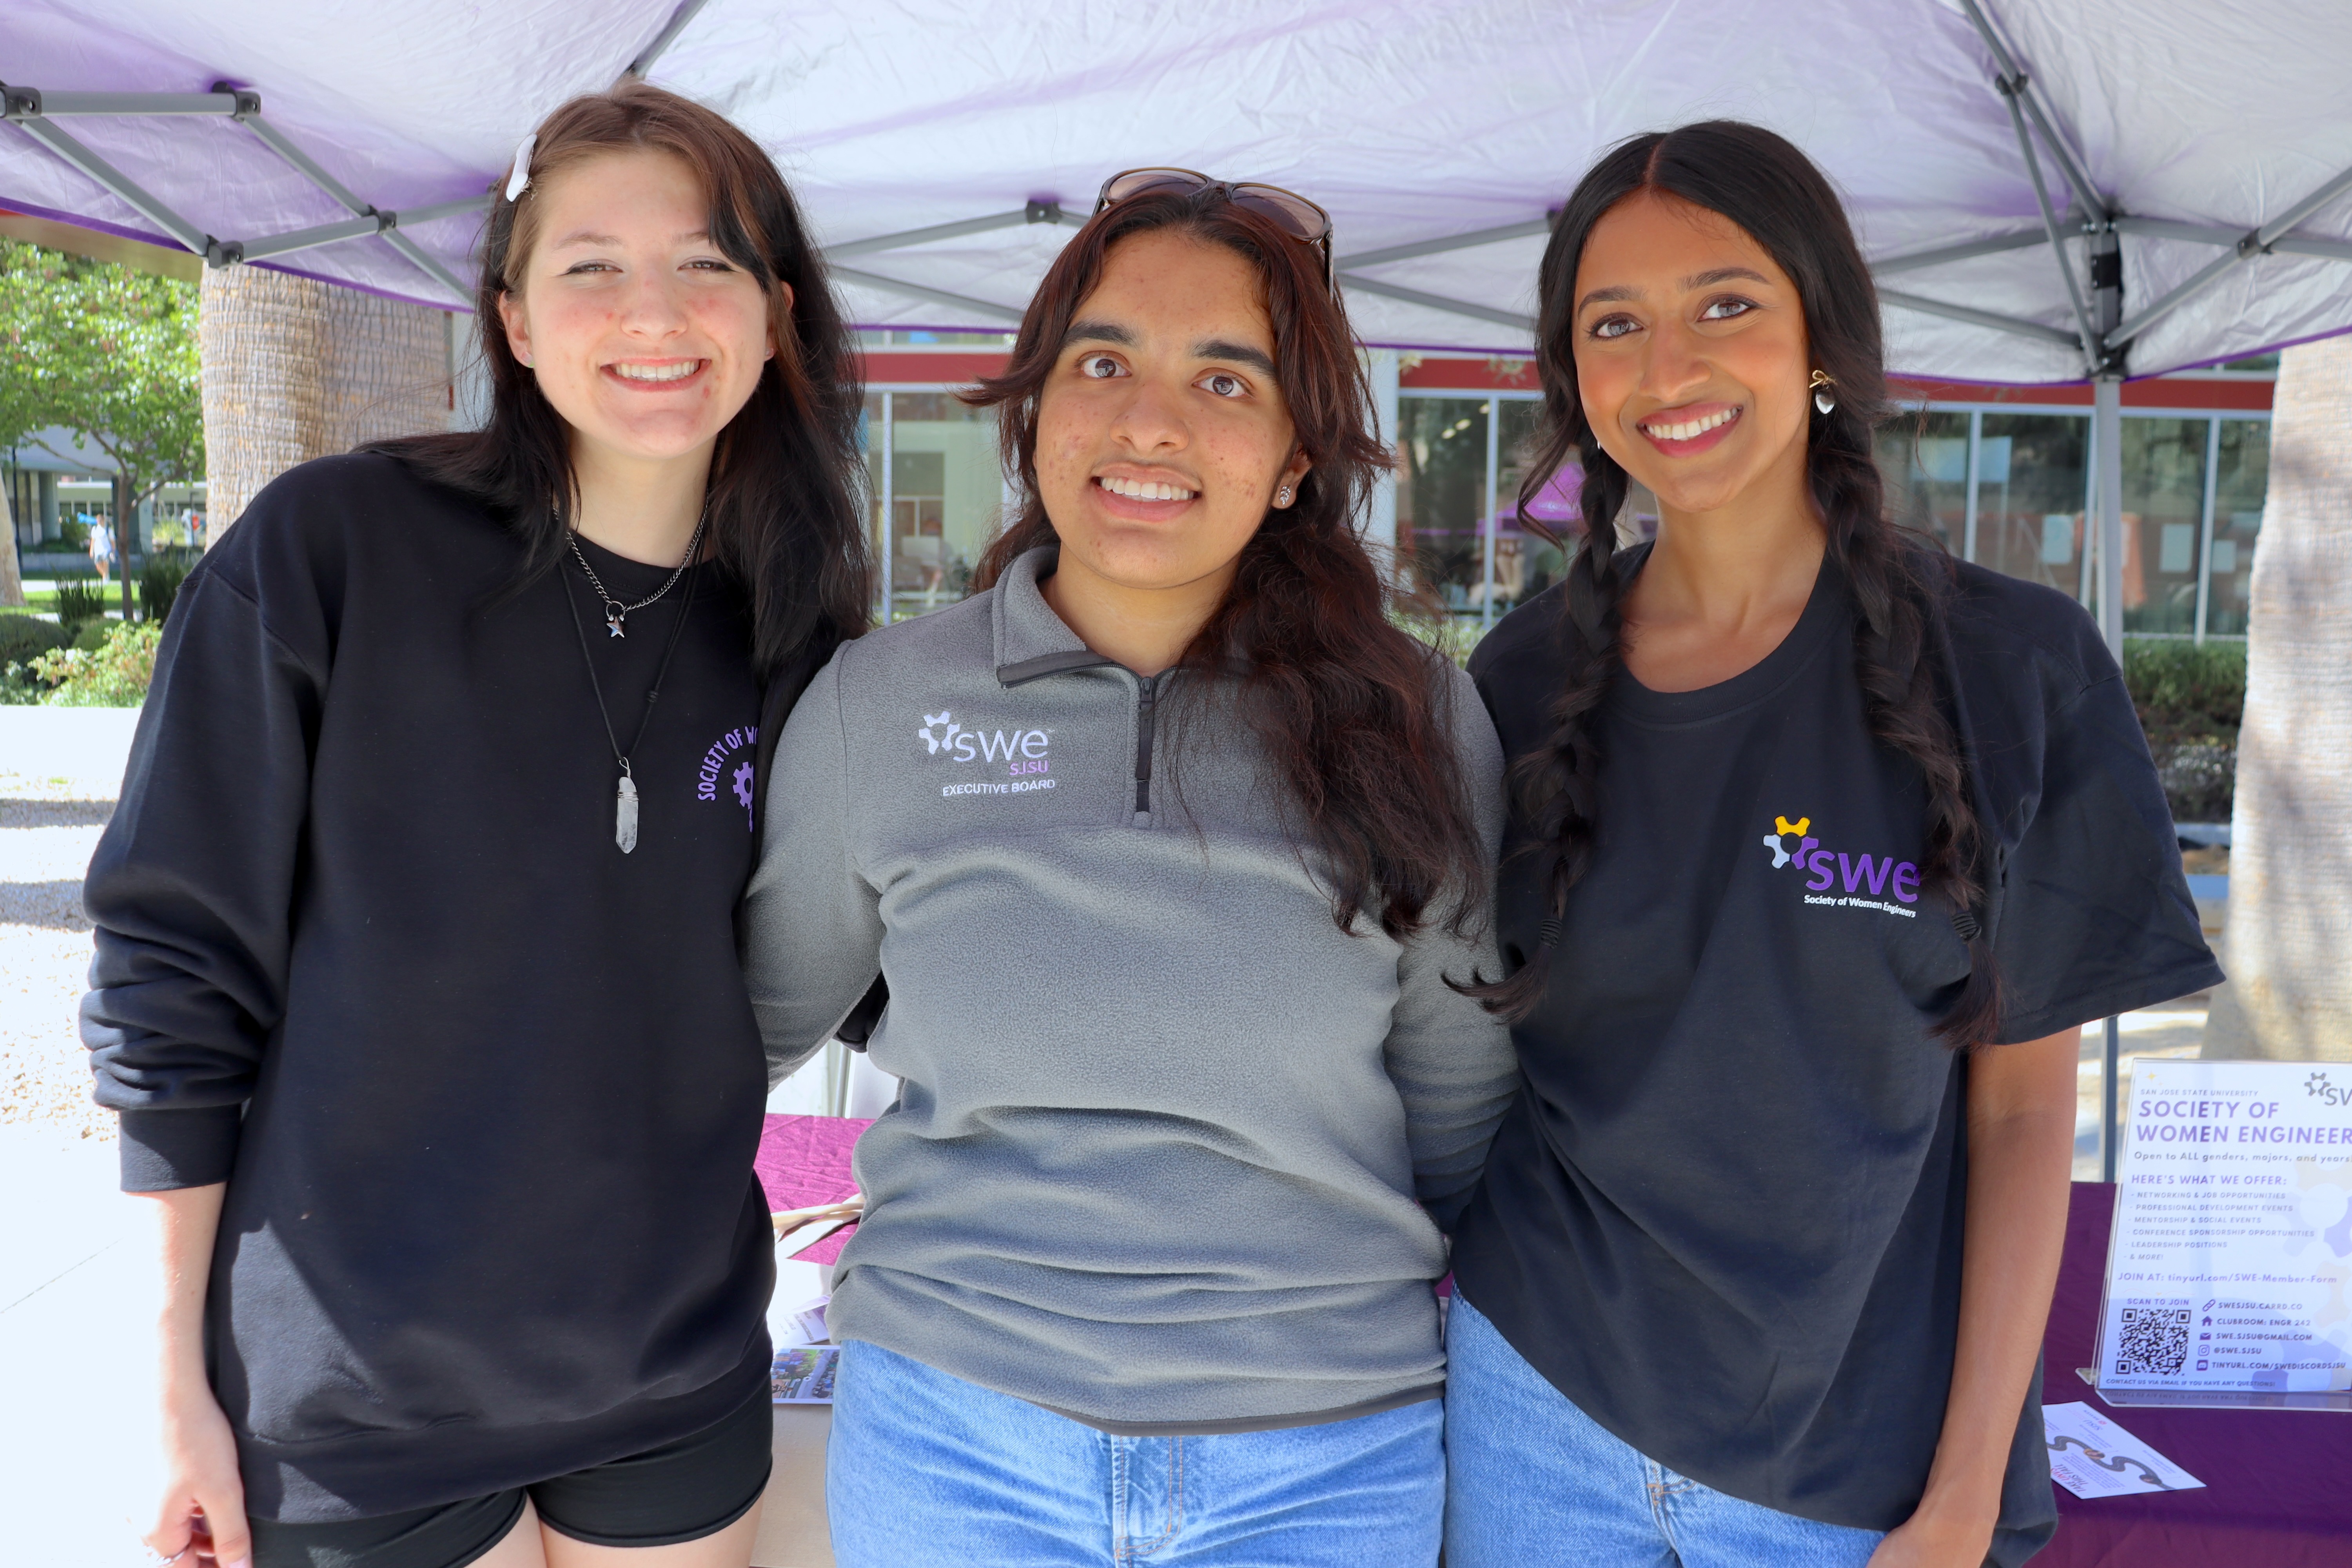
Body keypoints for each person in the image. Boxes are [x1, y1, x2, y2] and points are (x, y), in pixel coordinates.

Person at [81, 82, 869, 1568]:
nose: (656, 310)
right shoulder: (334, 548)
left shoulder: (795, 628)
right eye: (590, 266)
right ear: (511, 319)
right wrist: (168, 1377)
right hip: (358, 1381)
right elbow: (174, 975)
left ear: (774, 315)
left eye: (708, 262)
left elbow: (864, 951)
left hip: (675, 1363)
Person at [1443, 122, 2221, 1568]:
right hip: (1531, 1405)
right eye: (1613, 323)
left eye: (1724, 304)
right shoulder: (1518, 678)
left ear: (1821, 337)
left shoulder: (2013, 667)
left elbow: (2022, 1116)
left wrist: (1962, 1492)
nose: (1666, 366)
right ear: (1574, 376)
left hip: (1853, 1465)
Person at [741, 169, 1518, 1566]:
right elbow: (736, 1031)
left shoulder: (1416, 719)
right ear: (1034, 406)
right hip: (954, 1443)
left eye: (1227, 381)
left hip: (1324, 1456)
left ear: (1294, 459)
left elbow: (1456, 1106)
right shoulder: (878, 707)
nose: (1150, 420)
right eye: (1104, 361)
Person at [87, 511, 113, 583]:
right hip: (97, 550)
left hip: (106, 549)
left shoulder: (108, 530)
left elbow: (113, 541)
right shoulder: (95, 529)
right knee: (98, 565)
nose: (99, 521)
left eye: (100, 520)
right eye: (98, 520)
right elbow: (93, 541)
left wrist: (113, 551)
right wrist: (91, 551)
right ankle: (106, 575)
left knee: (106, 563)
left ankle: (105, 579)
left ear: (104, 520)